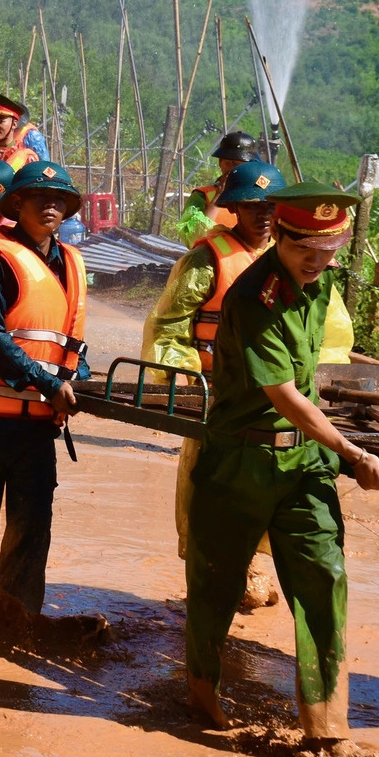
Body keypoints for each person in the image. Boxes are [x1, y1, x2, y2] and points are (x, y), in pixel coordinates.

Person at [184, 180, 379, 746]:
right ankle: (201, 694)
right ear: (281, 239)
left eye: (329, 252)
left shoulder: (316, 283)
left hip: (303, 461)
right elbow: (286, 395)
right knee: (215, 583)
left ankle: (327, 727)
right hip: (239, 458)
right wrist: (351, 452)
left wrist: (330, 451)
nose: (318, 263)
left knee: (325, 577)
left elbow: (309, 386)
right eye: (305, 251)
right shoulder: (256, 296)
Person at [0, 162, 90, 617]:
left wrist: (77, 376)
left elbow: (68, 340)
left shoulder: (70, 262)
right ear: (17, 204)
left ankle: (19, 616)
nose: (50, 206)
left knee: (31, 525)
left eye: (59, 200)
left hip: (36, 426)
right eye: (39, 198)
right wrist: (50, 383)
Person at [143, 160, 287, 607]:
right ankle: (206, 578)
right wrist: (190, 384)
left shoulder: (295, 256)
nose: (261, 215)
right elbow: (168, 328)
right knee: (207, 484)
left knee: (267, 485)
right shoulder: (206, 259)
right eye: (250, 206)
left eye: (269, 207)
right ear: (234, 209)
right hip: (214, 393)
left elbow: (329, 333)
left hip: (273, 397)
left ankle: (254, 571)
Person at [176, 131, 260, 246]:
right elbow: (193, 238)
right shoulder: (201, 196)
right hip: (210, 260)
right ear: (220, 163)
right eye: (230, 163)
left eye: (241, 165)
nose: (234, 169)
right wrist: (218, 197)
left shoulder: (260, 198)